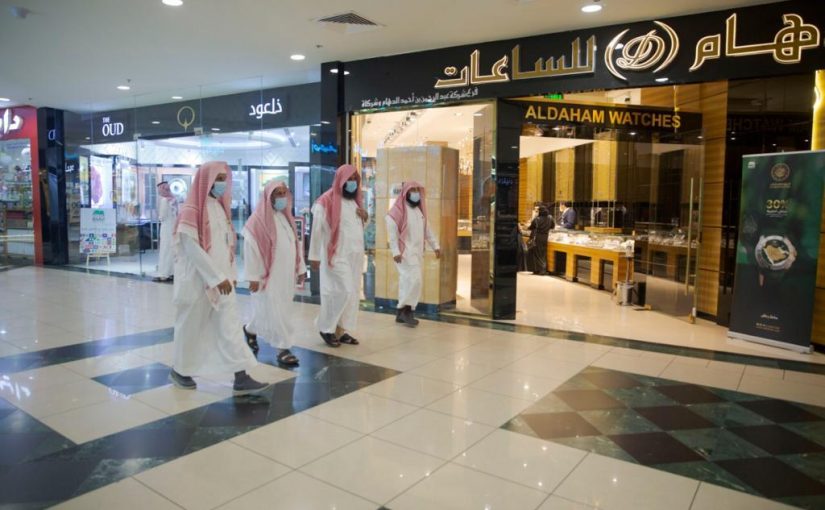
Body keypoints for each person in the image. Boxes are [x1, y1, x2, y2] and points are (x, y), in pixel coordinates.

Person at [170, 161, 269, 396]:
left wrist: (230, 275)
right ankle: (180, 371)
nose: (223, 183)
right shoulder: (191, 210)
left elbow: (227, 246)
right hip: (197, 282)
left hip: (223, 282)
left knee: (230, 326)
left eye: (225, 178)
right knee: (190, 327)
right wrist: (215, 277)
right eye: (219, 178)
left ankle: (241, 376)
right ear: (207, 180)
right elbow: (192, 248)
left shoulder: (221, 208)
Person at [242, 181, 306, 366]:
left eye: (284, 193)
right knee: (276, 310)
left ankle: (250, 329)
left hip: (286, 274)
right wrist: (252, 276)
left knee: (274, 309)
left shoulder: (286, 218)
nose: (282, 197)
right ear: (268, 197)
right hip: (267, 275)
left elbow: (295, 245)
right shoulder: (257, 221)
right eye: (278, 193)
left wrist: (301, 268)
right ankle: (282, 348)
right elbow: (250, 249)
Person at [308, 164, 368, 347]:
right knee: (341, 291)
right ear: (340, 180)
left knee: (351, 294)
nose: (352, 182)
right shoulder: (325, 201)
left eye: (355, 179)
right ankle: (326, 328)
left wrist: (365, 218)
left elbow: (355, 228)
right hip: (336, 255)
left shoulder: (354, 201)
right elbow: (317, 230)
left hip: (354, 256)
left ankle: (341, 330)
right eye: (349, 179)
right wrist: (314, 256)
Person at [385, 181, 440, 327]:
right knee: (415, 281)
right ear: (406, 193)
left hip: (416, 253)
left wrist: (436, 246)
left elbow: (427, 231)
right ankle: (407, 310)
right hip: (403, 253)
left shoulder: (419, 211)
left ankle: (401, 311)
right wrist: (395, 251)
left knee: (408, 281)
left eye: (417, 190)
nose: (416, 194)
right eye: (412, 190)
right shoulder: (397, 212)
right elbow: (392, 234)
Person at [153, 181, 178, 282]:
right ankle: (172, 272)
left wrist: (159, 216)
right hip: (174, 227)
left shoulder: (164, 201)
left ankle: (163, 274)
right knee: (172, 250)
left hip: (166, 228)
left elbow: (162, 216)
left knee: (165, 251)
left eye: (160, 190)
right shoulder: (174, 199)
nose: (159, 192)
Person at [528, 206, 554, 275]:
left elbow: (531, 227)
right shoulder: (550, 218)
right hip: (545, 237)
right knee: (543, 253)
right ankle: (539, 269)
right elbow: (552, 226)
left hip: (537, 237)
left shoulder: (537, 219)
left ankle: (540, 270)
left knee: (537, 254)